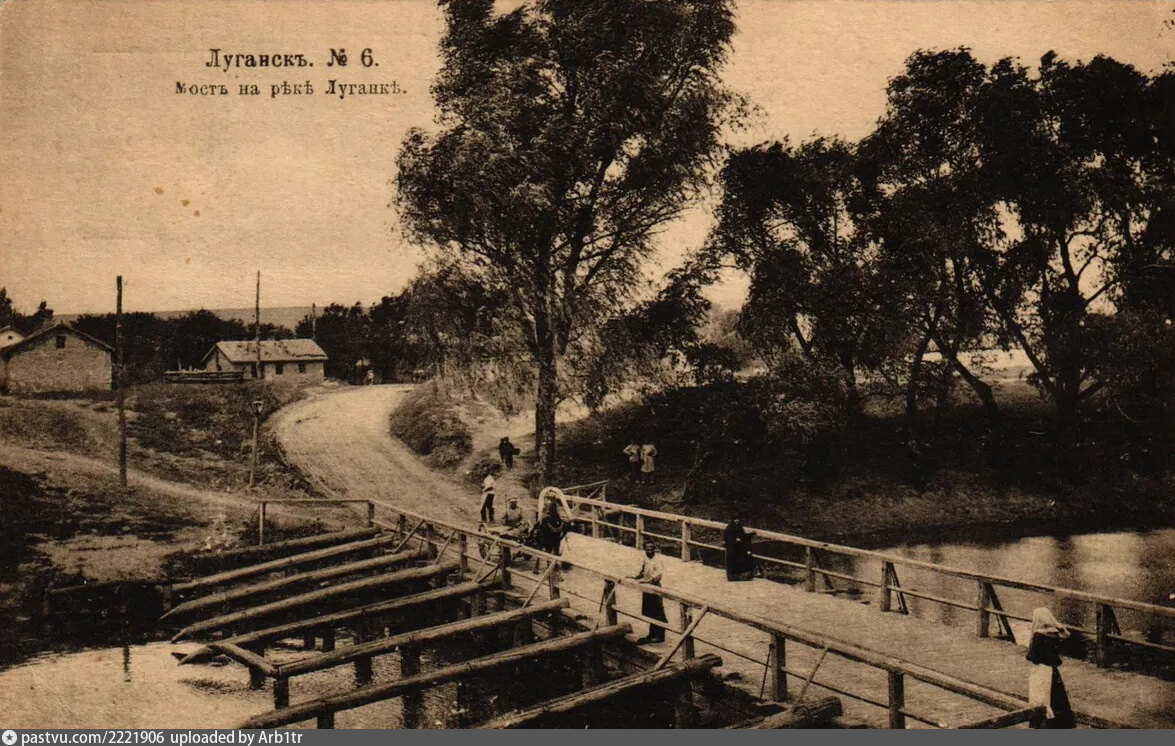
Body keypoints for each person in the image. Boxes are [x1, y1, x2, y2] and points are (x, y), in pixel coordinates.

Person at [1026, 607, 1076, 729]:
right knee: (1056, 695)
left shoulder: (1038, 635)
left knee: (1042, 696)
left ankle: (1043, 721)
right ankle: (1061, 721)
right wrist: (1060, 627)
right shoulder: (1054, 633)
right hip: (1052, 669)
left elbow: (1033, 656)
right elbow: (1067, 636)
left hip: (1041, 669)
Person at [631, 540, 667, 643]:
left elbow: (658, 574)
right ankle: (652, 634)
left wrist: (648, 581)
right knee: (649, 611)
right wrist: (636, 576)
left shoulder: (657, 560)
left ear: (654, 549)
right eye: (647, 549)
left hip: (654, 587)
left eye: (651, 548)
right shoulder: (645, 559)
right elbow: (643, 571)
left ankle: (659, 636)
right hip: (647, 587)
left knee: (657, 611)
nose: (649, 551)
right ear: (645, 549)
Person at [723, 514, 756, 581]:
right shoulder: (730, 528)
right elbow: (727, 538)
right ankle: (732, 576)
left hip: (737, 548)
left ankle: (739, 575)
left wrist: (750, 534)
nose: (736, 521)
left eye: (737, 519)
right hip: (732, 548)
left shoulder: (739, 527)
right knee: (733, 561)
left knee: (740, 560)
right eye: (735, 519)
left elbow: (743, 536)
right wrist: (735, 540)